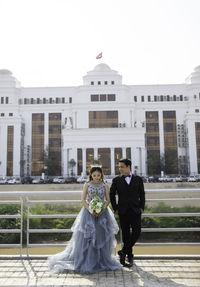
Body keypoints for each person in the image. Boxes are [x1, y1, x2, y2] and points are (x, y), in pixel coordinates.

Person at [48, 166, 121, 274]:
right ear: (91, 175)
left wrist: (101, 210)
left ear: (101, 175)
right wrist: (91, 210)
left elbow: (108, 199)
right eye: (94, 175)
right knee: (87, 238)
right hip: (88, 214)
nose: (96, 177)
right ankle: (86, 261)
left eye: (98, 175)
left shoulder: (105, 185)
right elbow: (83, 199)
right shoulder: (86, 184)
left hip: (103, 214)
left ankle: (100, 260)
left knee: (101, 237)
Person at [110, 158, 145, 267]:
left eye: (122, 167)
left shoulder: (138, 179)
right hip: (123, 211)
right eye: (119, 167)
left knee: (137, 231)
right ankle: (129, 256)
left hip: (135, 210)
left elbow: (142, 194)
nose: (120, 169)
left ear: (128, 167)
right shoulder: (116, 180)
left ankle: (123, 251)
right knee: (125, 234)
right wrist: (115, 208)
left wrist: (142, 207)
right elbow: (112, 194)